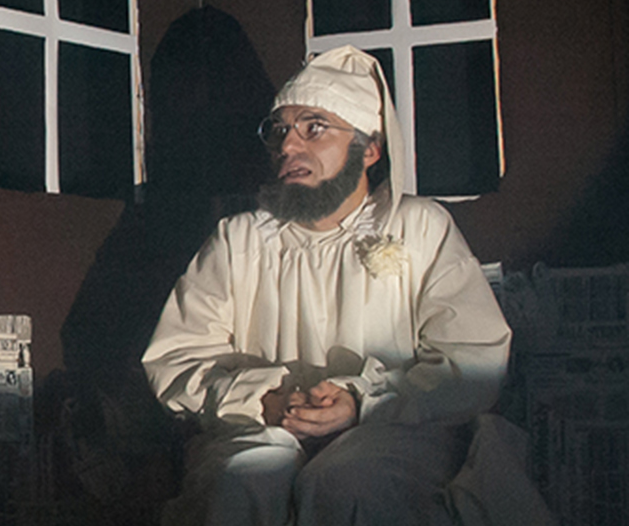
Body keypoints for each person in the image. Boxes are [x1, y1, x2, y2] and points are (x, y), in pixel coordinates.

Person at [140, 46, 511, 526]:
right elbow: (177, 358)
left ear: (369, 148)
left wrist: (362, 402)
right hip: (260, 428)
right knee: (247, 477)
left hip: (395, 432)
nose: (288, 147)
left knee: (347, 482)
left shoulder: (419, 227)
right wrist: (264, 399)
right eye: (280, 131)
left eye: (314, 128)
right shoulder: (240, 239)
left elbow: (472, 359)